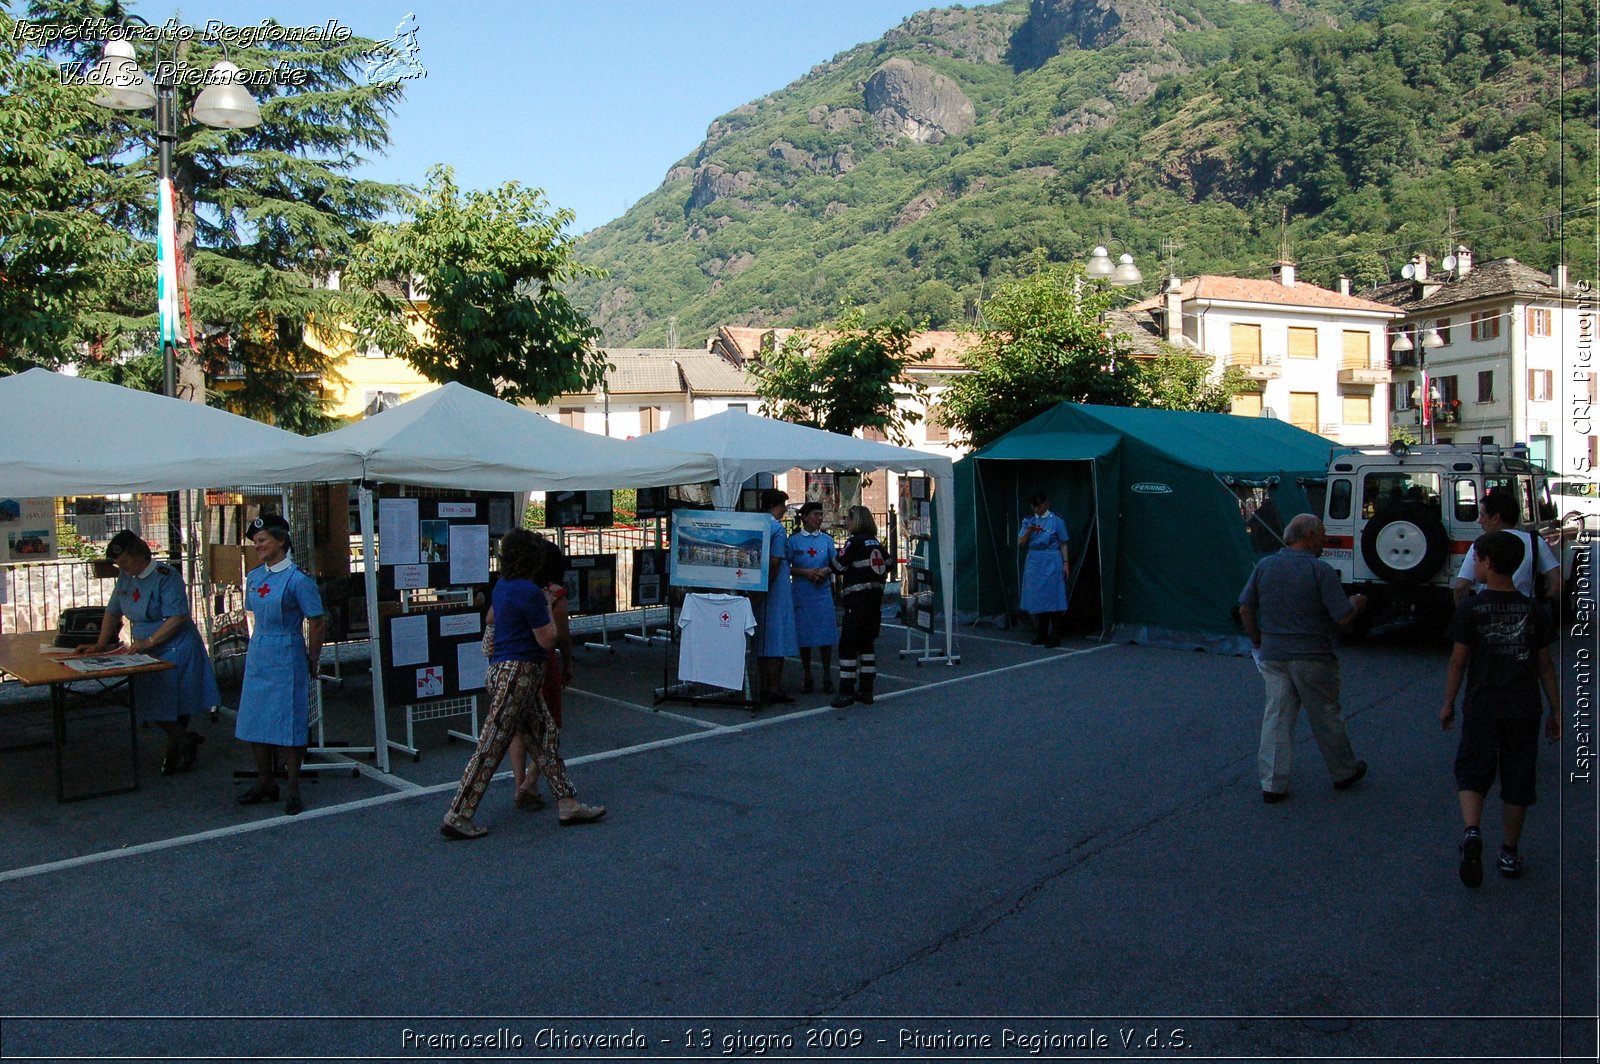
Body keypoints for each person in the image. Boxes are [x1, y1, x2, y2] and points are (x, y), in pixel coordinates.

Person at [441, 529, 603, 839]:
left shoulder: (502, 586)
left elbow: (493, 620)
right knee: (492, 745)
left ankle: (567, 801)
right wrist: (546, 607)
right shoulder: (529, 592)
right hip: (521, 672)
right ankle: (458, 813)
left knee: (545, 737)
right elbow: (548, 639)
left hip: (505, 670)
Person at [1440, 530, 1561, 886]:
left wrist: (1448, 703)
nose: (1474, 564)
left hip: (1481, 704)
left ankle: (1473, 831)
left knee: (1473, 769)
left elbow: (1458, 662)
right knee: (1518, 777)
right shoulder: (1534, 610)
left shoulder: (1470, 609)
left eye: (1476, 558)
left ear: (1489, 563)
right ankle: (1509, 851)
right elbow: (1545, 664)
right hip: (1523, 706)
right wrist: (1556, 709)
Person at [1239, 513, 1369, 803]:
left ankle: (1273, 783)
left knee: (1277, 717)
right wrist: (1356, 603)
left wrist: (1257, 639)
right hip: (1312, 655)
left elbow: (1245, 607)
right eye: (1321, 534)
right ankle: (1343, 771)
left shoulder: (1265, 566)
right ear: (1309, 537)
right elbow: (1343, 618)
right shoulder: (1320, 570)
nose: (1325, 540)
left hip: (1274, 654)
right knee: (1325, 715)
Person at [80, 530, 219, 776]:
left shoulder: (166, 576)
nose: (122, 567)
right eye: (119, 564)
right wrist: (101, 645)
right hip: (145, 646)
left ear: (140, 555)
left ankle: (174, 751)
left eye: (125, 562)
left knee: (178, 701)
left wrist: (150, 641)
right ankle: (185, 740)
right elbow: (113, 611)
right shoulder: (126, 576)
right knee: (151, 701)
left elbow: (177, 616)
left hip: (175, 645)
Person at [234, 515, 325, 815]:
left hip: (287, 652)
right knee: (256, 718)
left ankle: (293, 788)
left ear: (281, 541)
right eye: (256, 542)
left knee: (289, 720)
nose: (258, 546)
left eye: (263, 541)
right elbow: (252, 614)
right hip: (260, 651)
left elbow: (317, 620)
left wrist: (313, 658)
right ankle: (265, 781)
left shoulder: (298, 580)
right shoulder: (255, 577)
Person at [507, 536, 576, 809]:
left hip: (512, 660)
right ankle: (530, 783)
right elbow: (561, 637)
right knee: (550, 726)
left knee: (519, 727)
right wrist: (568, 664)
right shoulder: (554, 594)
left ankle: (519, 783)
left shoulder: (513, 588)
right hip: (542, 663)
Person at [1452, 489, 1562, 607]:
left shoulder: (1480, 545)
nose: (1479, 520)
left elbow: (1460, 587)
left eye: (1482, 515)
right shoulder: (1535, 542)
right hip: (1524, 612)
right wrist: (1540, 608)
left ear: (1496, 518)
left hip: (1486, 612)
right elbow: (1557, 583)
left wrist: (1464, 612)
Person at [830, 506, 889, 708]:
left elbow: (837, 566)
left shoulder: (854, 542)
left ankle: (846, 691)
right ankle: (866, 690)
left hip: (856, 603)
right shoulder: (876, 544)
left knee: (848, 646)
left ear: (857, 521)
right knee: (867, 645)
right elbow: (888, 564)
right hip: (874, 602)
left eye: (848, 519)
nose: (846, 523)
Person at [789, 500, 839, 694]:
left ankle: (827, 674)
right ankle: (807, 673)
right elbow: (787, 565)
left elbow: (835, 562)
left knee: (826, 635)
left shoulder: (826, 540)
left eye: (821, 514)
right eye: (816, 514)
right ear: (804, 517)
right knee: (804, 636)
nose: (820, 518)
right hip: (802, 592)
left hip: (823, 592)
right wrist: (805, 572)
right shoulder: (793, 541)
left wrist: (825, 571)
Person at [755, 489, 799, 704]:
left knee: (761, 639)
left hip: (757, 587)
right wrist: (766, 587)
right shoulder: (777, 529)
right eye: (783, 506)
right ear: (776, 505)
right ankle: (774, 687)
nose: (785, 510)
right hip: (775, 589)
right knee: (776, 639)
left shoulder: (758, 524)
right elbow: (775, 562)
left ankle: (762, 684)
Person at [1017, 492, 1070, 647]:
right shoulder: (1028, 521)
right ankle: (1041, 634)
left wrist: (1065, 563)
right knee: (1036, 598)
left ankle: (1055, 636)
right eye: (1034, 506)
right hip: (1035, 561)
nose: (1037, 509)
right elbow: (1021, 543)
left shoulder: (1056, 520)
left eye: (1039, 506)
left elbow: (1063, 543)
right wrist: (1029, 531)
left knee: (1053, 598)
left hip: (1052, 559)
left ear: (1046, 504)